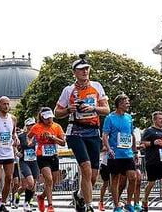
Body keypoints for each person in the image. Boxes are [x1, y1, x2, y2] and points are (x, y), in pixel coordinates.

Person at [54, 54, 110, 212]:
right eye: (81, 70)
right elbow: (56, 112)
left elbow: (106, 109)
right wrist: (68, 109)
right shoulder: (68, 90)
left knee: (92, 175)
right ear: (75, 73)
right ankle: (89, 205)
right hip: (75, 131)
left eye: (87, 69)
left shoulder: (97, 86)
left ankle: (79, 196)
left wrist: (93, 108)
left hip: (93, 132)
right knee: (85, 167)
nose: (85, 72)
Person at [102, 94, 138, 212]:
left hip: (128, 154)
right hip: (115, 154)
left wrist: (135, 151)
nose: (128, 104)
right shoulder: (110, 118)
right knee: (115, 179)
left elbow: (131, 135)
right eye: (126, 102)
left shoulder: (128, 118)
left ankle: (128, 203)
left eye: (128, 102)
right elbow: (105, 135)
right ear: (119, 104)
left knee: (133, 177)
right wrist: (108, 148)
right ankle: (117, 205)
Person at [28, 108, 65, 212]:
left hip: (53, 156)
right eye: (46, 118)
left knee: (54, 182)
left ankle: (41, 196)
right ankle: (50, 205)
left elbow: (63, 143)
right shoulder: (36, 127)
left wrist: (53, 138)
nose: (49, 120)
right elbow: (29, 136)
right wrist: (30, 142)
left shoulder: (57, 127)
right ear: (41, 118)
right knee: (48, 179)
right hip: (42, 156)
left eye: (51, 118)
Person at [140, 111, 162, 212]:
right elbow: (143, 143)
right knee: (151, 183)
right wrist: (153, 143)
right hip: (152, 160)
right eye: (160, 119)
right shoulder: (149, 131)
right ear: (154, 120)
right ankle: (144, 200)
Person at [17, 117, 40, 212]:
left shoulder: (38, 135)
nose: (32, 127)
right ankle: (24, 202)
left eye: (33, 125)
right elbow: (13, 144)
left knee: (33, 185)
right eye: (30, 125)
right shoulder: (21, 136)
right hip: (24, 161)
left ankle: (28, 202)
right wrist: (17, 153)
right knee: (29, 182)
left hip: (35, 162)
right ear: (26, 126)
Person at [98, 146, 110, 212]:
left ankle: (116, 202)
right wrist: (108, 148)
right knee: (105, 184)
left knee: (116, 183)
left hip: (114, 163)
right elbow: (101, 149)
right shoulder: (105, 139)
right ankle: (101, 202)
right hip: (104, 164)